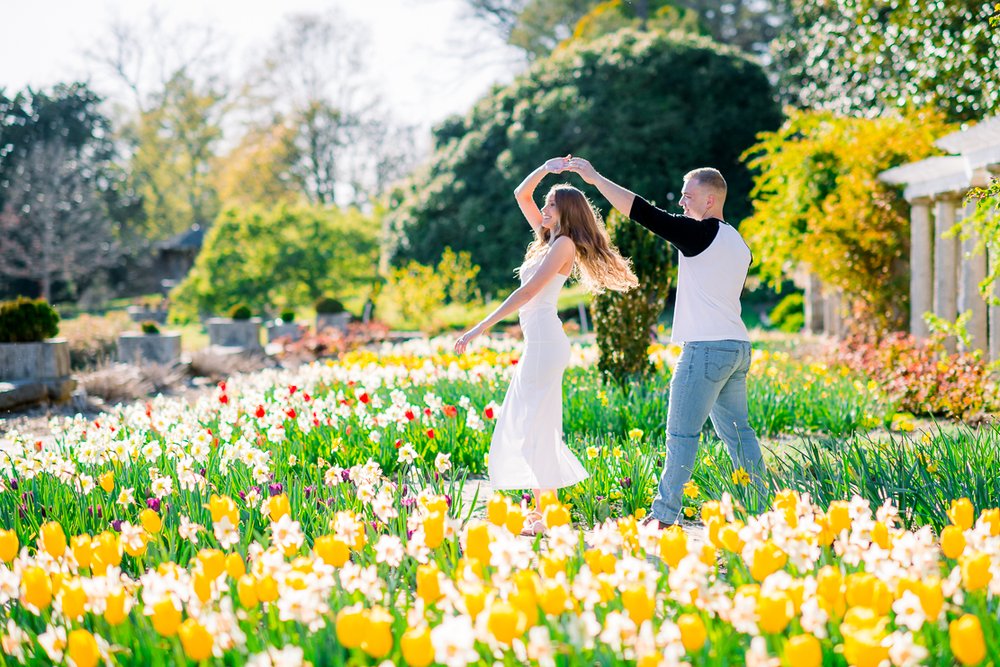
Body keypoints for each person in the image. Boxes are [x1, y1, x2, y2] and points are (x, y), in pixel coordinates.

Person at [564, 157, 765, 528]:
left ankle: (664, 516)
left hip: (705, 350)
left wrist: (593, 178)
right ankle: (760, 510)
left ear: (709, 200)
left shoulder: (700, 233)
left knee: (681, 433)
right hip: (737, 347)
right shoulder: (738, 243)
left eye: (688, 196)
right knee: (740, 435)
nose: (682, 204)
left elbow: (641, 211)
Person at [454, 156, 638, 535]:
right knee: (533, 423)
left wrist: (480, 328)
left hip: (545, 344)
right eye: (547, 203)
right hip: (538, 345)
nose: (544, 207)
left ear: (566, 211)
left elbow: (529, 292)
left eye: (552, 203)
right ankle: (544, 513)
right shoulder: (546, 240)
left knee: (533, 423)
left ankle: (546, 513)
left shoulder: (564, 244)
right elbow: (521, 193)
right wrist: (546, 167)